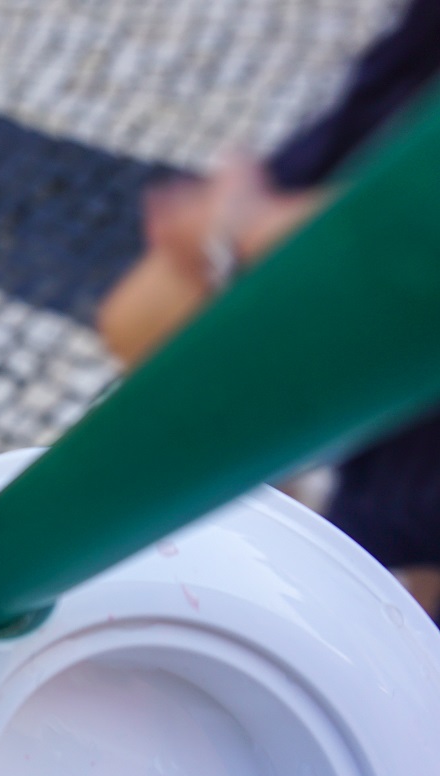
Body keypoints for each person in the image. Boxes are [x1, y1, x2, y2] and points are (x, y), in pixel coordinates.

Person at [97, 0, 440, 616]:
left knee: (374, 541)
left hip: (374, 232)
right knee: (152, 323)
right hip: (395, 137)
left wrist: (247, 230)